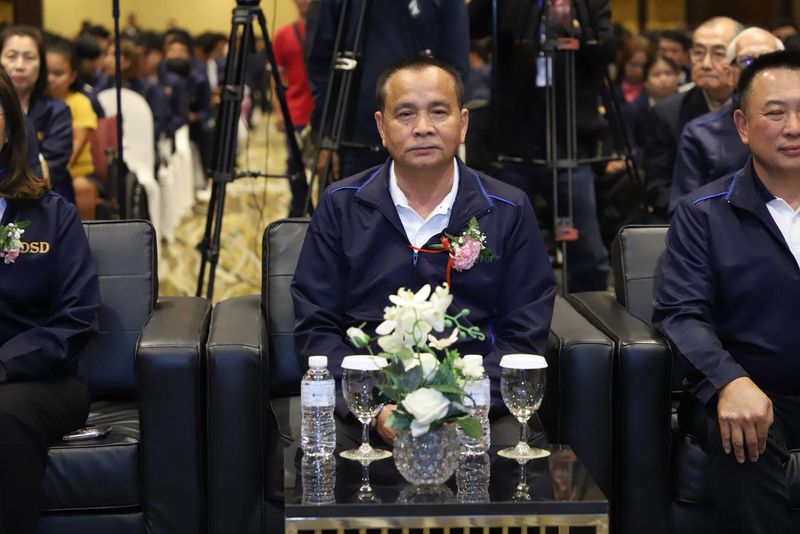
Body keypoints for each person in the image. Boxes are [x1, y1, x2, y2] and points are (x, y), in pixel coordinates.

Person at [292, 57, 556, 445]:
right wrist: (374, 405)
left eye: (438, 112)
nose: (423, 128)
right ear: (382, 127)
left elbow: (525, 328)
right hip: (365, 404)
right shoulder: (341, 205)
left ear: (462, 124)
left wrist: (462, 404)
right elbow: (315, 324)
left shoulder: (507, 209)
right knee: (323, 457)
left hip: (476, 404)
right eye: (405, 114)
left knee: (512, 459)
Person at [653, 50, 800, 534]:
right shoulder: (704, 213)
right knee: (743, 433)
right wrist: (728, 381)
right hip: (747, 386)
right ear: (742, 125)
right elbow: (680, 314)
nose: (794, 128)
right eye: (775, 113)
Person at [0, 64, 101, 534]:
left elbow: (76, 317)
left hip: (40, 379)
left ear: (9, 126)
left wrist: (5, 363)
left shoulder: (51, 214)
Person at [470, 0, 615, 292]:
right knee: (496, 244)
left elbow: (606, 52)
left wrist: (573, 26)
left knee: (587, 253)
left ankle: (590, 315)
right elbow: (473, 26)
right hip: (513, 143)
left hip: (569, 143)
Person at [306, 0, 470, 181]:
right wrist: (324, 136)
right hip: (350, 145)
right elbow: (320, 66)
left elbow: (456, 71)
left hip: (424, 145)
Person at [669, 27, 783, 215]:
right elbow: (684, 212)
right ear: (729, 73)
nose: (760, 71)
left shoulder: (794, 127)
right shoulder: (700, 133)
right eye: (747, 61)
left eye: (769, 60)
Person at [643, 17, 743, 222]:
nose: (705, 64)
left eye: (719, 53)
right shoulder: (668, 112)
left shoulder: (757, 110)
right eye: (698, 53)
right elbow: (657, 187)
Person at [0, 26, 74, 204]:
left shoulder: (57, 111)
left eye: (29, 57)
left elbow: (50, 169)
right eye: (11, 56)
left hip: (45, 199)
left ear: (41, 64)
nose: (19, 66)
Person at [46, 38, 100, 220]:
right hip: (39, 171)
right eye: (46, 72)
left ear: (73, 75)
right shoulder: (35, 102)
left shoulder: (80, 102)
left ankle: (85, 232)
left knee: (81, 187)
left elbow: (77, 144)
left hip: (76, 172)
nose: (50, 79)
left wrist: (48, 174)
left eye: (58, 73)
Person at [272, 0, 313, 217]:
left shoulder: (332, 31)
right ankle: (298, 212)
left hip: (324, 114)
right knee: (295, 167)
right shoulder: (283, 35)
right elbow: (275, 76)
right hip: (295, 112)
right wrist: (278, 110)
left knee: (326, 167)